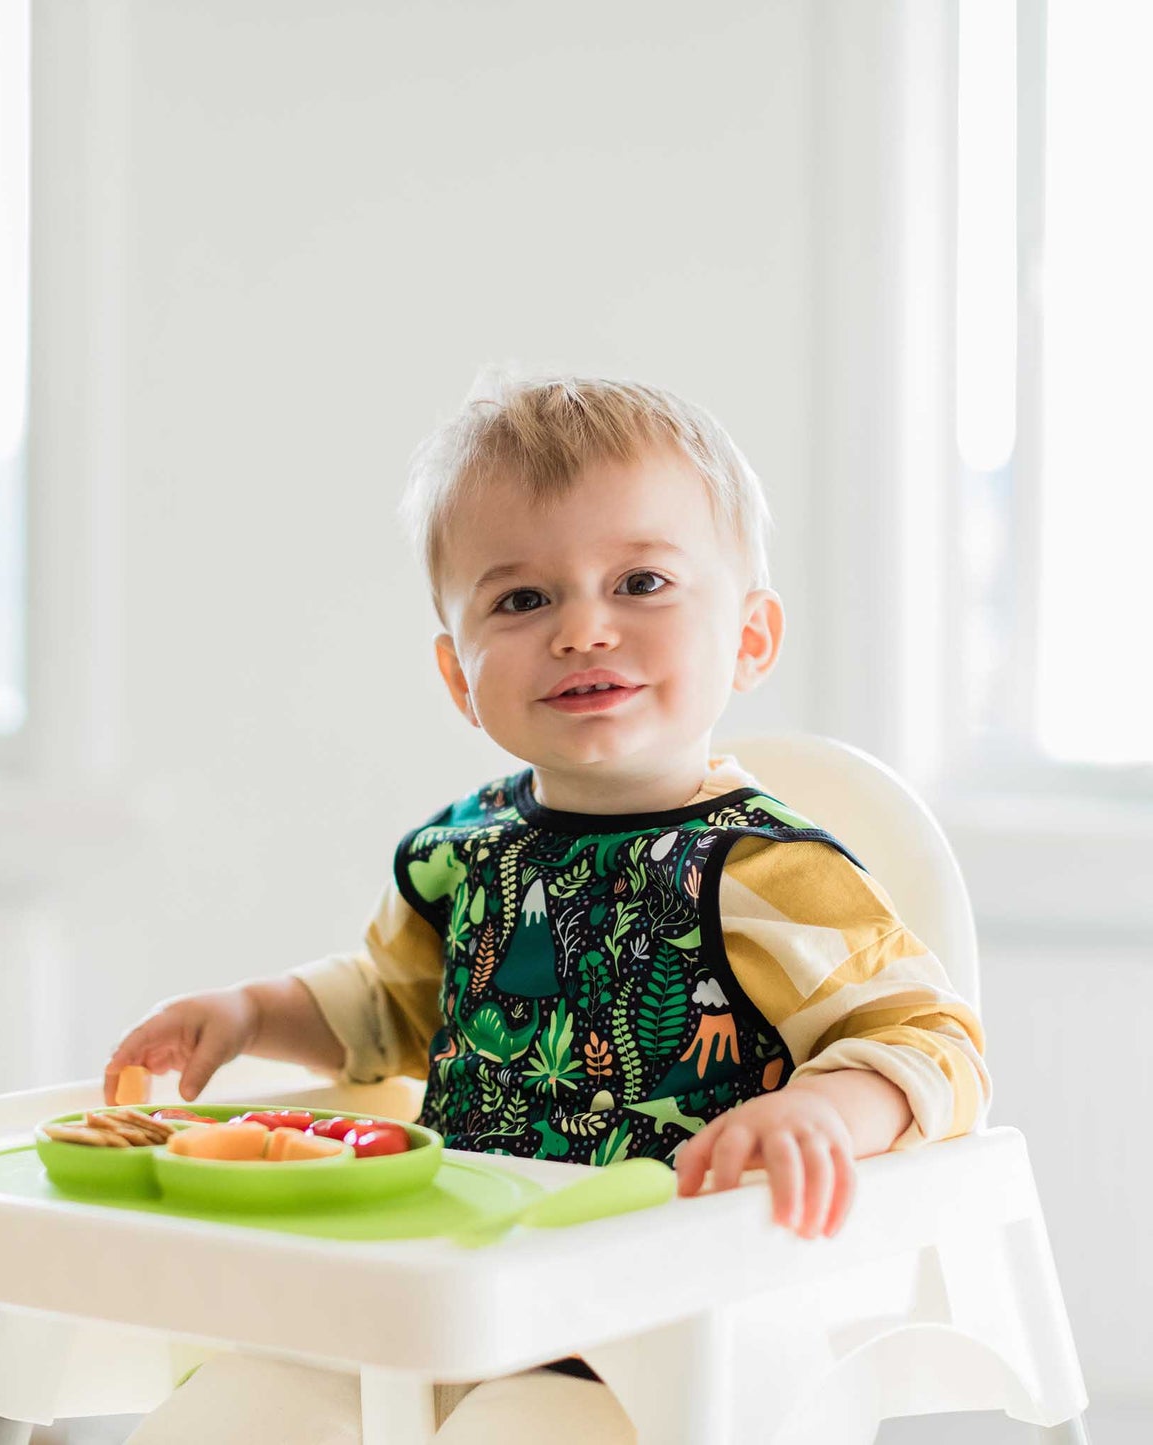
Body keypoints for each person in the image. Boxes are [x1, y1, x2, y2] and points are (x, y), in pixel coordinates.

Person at [108, 371, 991, 1443]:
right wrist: (251, 1013)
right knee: (235, 1407)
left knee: (517, 1427)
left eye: (640, 582)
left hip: (668, 1330)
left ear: (750, 638)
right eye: (522, 598)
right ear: (456, 674)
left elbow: (929, 1036)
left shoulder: (760, 871)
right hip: (454, 1293)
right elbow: (389, 1004)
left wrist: (825, 1109)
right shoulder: (460, 851)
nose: (581, 628)